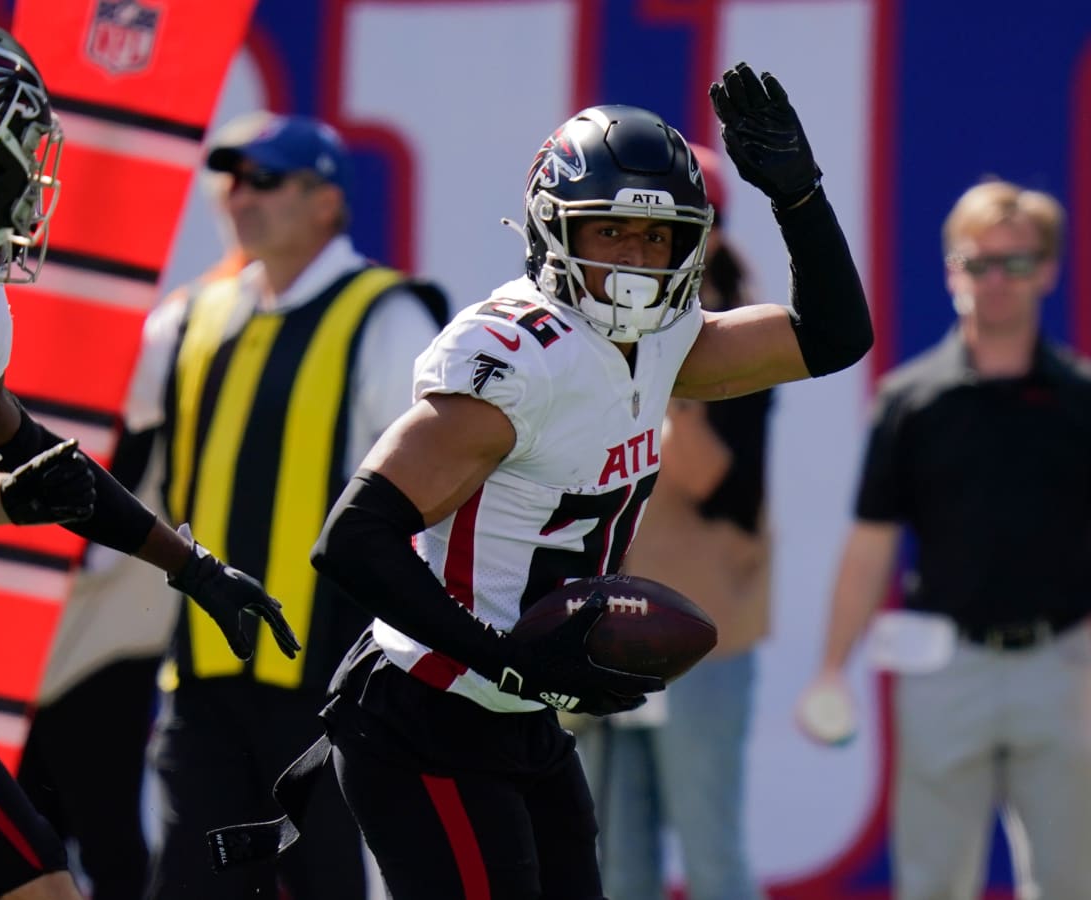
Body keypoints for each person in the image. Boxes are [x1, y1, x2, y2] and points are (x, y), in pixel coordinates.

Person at [305, 63, 873, 898]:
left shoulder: (665, 341)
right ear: (553, 230)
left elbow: (832, 337)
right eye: (610, 230)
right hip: (428, 714)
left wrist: (799, 197)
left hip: (521, 720)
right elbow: (351, 539)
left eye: (657, 237)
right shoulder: (518, 358)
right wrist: (506, 661)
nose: (637, 259)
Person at [0, 14, 299, 900]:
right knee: (41, 884)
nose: (34, 168)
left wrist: (190, 567)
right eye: (21, 139)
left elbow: (11, 455)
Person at [124, 112, 448, 899]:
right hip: (201, 675)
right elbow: (108, 426)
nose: (242, 195)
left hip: (327, 682)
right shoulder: (189, 319)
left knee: (322, 882)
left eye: (266, 179)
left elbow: (440, 493)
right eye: (232, 177)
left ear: (326, 202)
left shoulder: (385, 313)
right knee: (189, 886)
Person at [796, 179, 1091, 900]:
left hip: (1065, 667)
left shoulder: (1082, 399)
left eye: (1015, 264)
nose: (996, 281)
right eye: (979, 262)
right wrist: (832, 668)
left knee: (1070, 880)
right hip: (945, 668)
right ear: (951, 269)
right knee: (932, 883)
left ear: (1047, 270)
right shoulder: (911, 399)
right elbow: (871, 544)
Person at [12, 111, 271, 900]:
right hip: (25, 619)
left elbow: (131, 463)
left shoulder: (171, 323)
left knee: (109, 832)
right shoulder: (0, 319)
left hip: (112, 622)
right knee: (23, 831)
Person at [578, 143, 773, 900]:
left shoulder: (745, 332)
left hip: (701, 630)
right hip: (603, 627)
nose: (643, 245)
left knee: (710, 856)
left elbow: (717, 484)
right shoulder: (585, 325)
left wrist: (655, 361)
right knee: (611, 863)